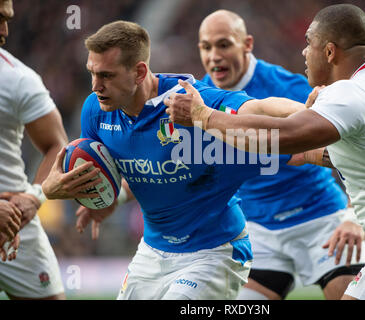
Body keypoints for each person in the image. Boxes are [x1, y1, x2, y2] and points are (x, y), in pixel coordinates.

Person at [165, 4, 365, 300]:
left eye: (308, 43)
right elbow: (339, 154)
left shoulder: (347, 94)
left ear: (329, 52)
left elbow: (281, 137)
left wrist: (204, 117)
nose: (303, 52)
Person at [41, 20, 311, 300]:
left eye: (107, 75)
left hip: (214, 252)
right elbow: (131, 170)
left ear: (139, 72)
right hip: (152, 251)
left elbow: (258, 107)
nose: (96, 86)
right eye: (92, 73)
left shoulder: (191, 102)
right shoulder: (95, 111)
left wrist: (312, 113)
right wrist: (74, 192)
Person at [197, 9, 365, 300]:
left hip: (321, 218)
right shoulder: (199, 98)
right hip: (257, 231)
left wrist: (355, 216)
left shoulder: (290, 88)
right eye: (206, 47)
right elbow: (169, 162)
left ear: (247, 44)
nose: (214, 55)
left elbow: (355, 149)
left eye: (224, 44)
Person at [0, 0, 67, 300]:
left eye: (8, 20)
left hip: (14, 220)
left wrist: (34, 197)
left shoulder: (18, 79)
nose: (4, 31)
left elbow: (58, 146)